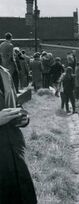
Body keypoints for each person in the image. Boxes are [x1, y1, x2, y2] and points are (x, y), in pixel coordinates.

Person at [0, 63, 37, 204]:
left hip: (14, 147)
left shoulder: (5, 74)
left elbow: (15, 104)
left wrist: (22, 117)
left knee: (23, 195)